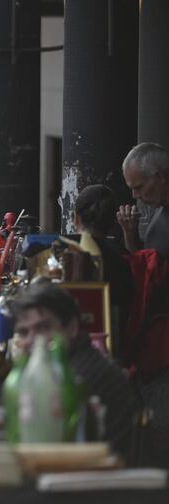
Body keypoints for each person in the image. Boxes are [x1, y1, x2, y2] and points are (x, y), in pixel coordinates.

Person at [10, 281, 142, 460]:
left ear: (72, 328)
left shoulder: (79, 377)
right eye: (24, 332)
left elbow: (50, 447)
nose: (32, 340)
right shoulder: (60, 367)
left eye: (44, 328)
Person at [73, 184, 134, 360]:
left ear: (76, 218)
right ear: (112, 221)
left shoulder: (64, 253)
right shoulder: (122, 262)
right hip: (113, 350)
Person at [118, 142, 169, 258]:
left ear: (160, 177)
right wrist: (130, 234)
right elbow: (145, 265)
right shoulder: (157, 207)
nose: (135, 195)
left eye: (139, 187)